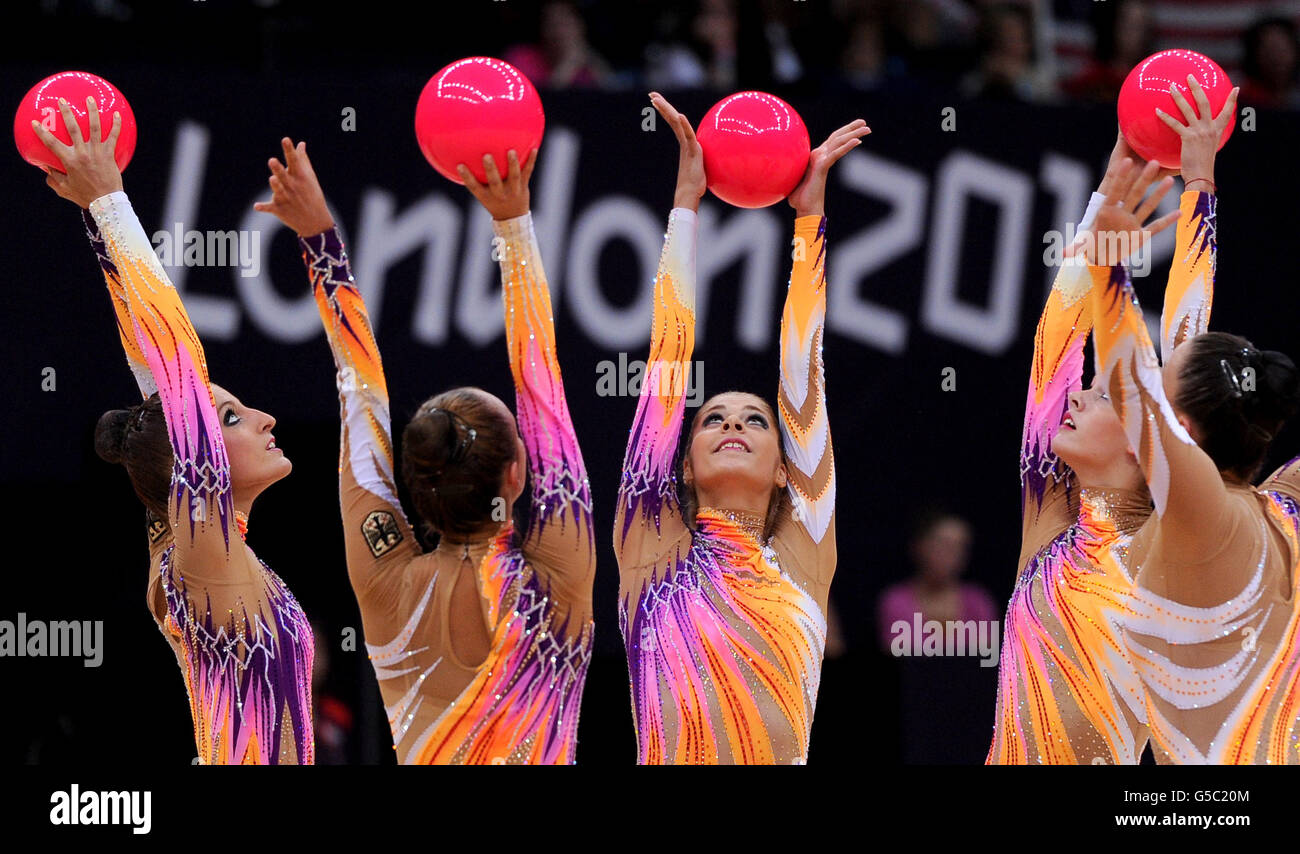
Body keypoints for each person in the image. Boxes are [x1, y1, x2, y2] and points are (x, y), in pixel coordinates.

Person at [254, 138, 595, 764]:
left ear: (412, 485)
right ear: (518, 475)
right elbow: (541, 382)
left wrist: (319, 237)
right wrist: (513, 224)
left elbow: (359, 400)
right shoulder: (557, 576)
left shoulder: (387, 582)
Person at [34, 99, 314, 764]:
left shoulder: (204, 550)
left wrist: (101, 224)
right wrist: (108, 202)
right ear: (195, 462)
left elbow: (160, 373)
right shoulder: (198, 557)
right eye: (232, 417)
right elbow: (178, 370)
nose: (265, 417)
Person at [614, 92, 866, 764]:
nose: (732, 421)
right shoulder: (652, 556)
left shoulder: (804, 559)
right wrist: (683, 208)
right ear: (685, 465)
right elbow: (666, 371)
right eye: (714, 420)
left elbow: (802, 378)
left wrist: (809, 224)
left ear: (786, 467)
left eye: (755, 420)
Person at [988, 80, 1235, 763]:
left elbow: (1186, 347)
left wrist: (1200, 186)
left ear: (1146, 436)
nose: (1074, 397)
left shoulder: (1166, 545)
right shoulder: (1049, 529)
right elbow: (1051, 358)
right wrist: (1101, 210)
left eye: (1098, 396)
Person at [1080, 80, 1300, 764]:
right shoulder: (1282, 504)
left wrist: (1110, 272)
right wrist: (1198, 177)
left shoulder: (1204, 513)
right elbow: (1179, 345)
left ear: (1182, 428)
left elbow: (1133, 383)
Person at [876, 510, 996, 651]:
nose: (952, 555)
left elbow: (987, 660)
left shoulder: (978, 601)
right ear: (919, 547)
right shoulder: (896, 601)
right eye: (944, 545)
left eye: (961, 547)